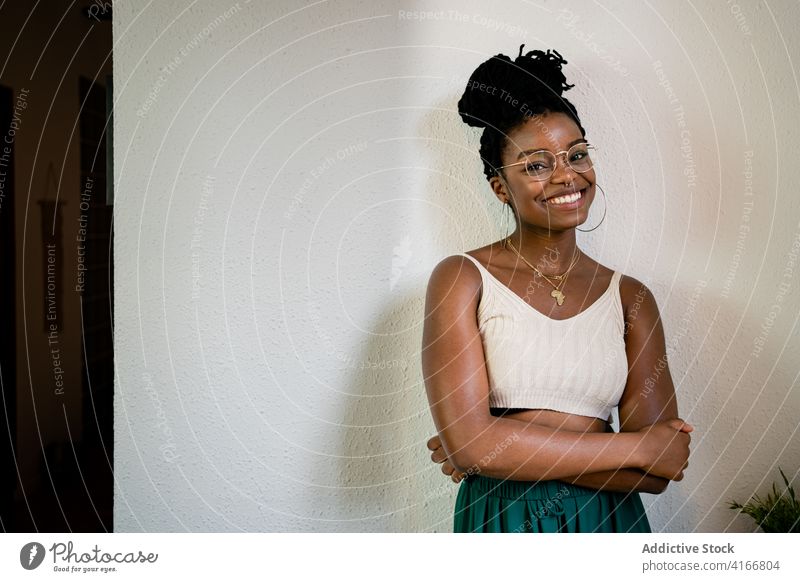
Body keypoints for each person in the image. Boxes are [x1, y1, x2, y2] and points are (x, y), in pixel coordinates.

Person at [420, 46, 693, 533]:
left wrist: (498, 447)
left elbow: (660, 470)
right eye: (536, 165)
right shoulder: (462, 278)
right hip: (504, 518)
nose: (567, 174)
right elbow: (470, 446)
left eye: (577, 154)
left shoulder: (630, 298)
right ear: (500, 187)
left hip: (607, 521)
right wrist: (637, 447)